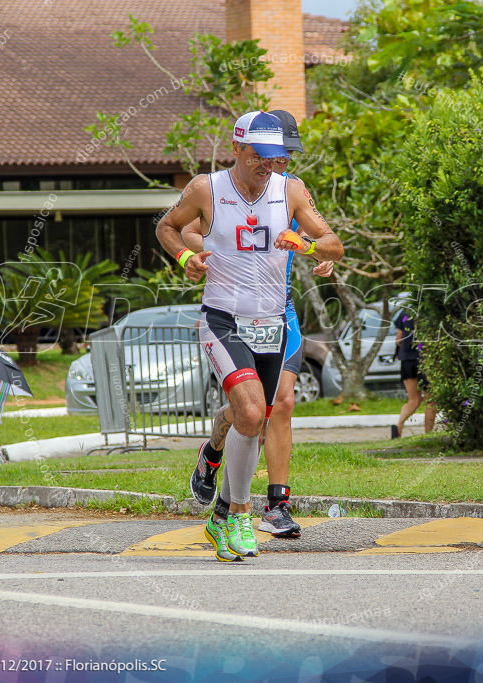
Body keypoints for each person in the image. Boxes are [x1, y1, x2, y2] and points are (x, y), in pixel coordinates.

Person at [155, 110, 343, 561]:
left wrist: (308, 246)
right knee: (254, 409)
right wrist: (185, 258)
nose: (269, 165)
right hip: (223, 320)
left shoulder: (291, 189)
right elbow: (165, 226)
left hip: (272, 323)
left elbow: (333, 243)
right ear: (237, 148)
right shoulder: (206, 189)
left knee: (252, 417)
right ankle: (240, 512)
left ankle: (218, 510)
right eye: (259, 157)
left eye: (276, 157)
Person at [392, 311, 436, 438]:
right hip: (425, 360)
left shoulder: (405, 311)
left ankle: (398, 426)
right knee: (430, 401)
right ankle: (428, 434)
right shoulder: (431, 310)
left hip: (407, 361)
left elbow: (398, 339)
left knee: (413, 400)